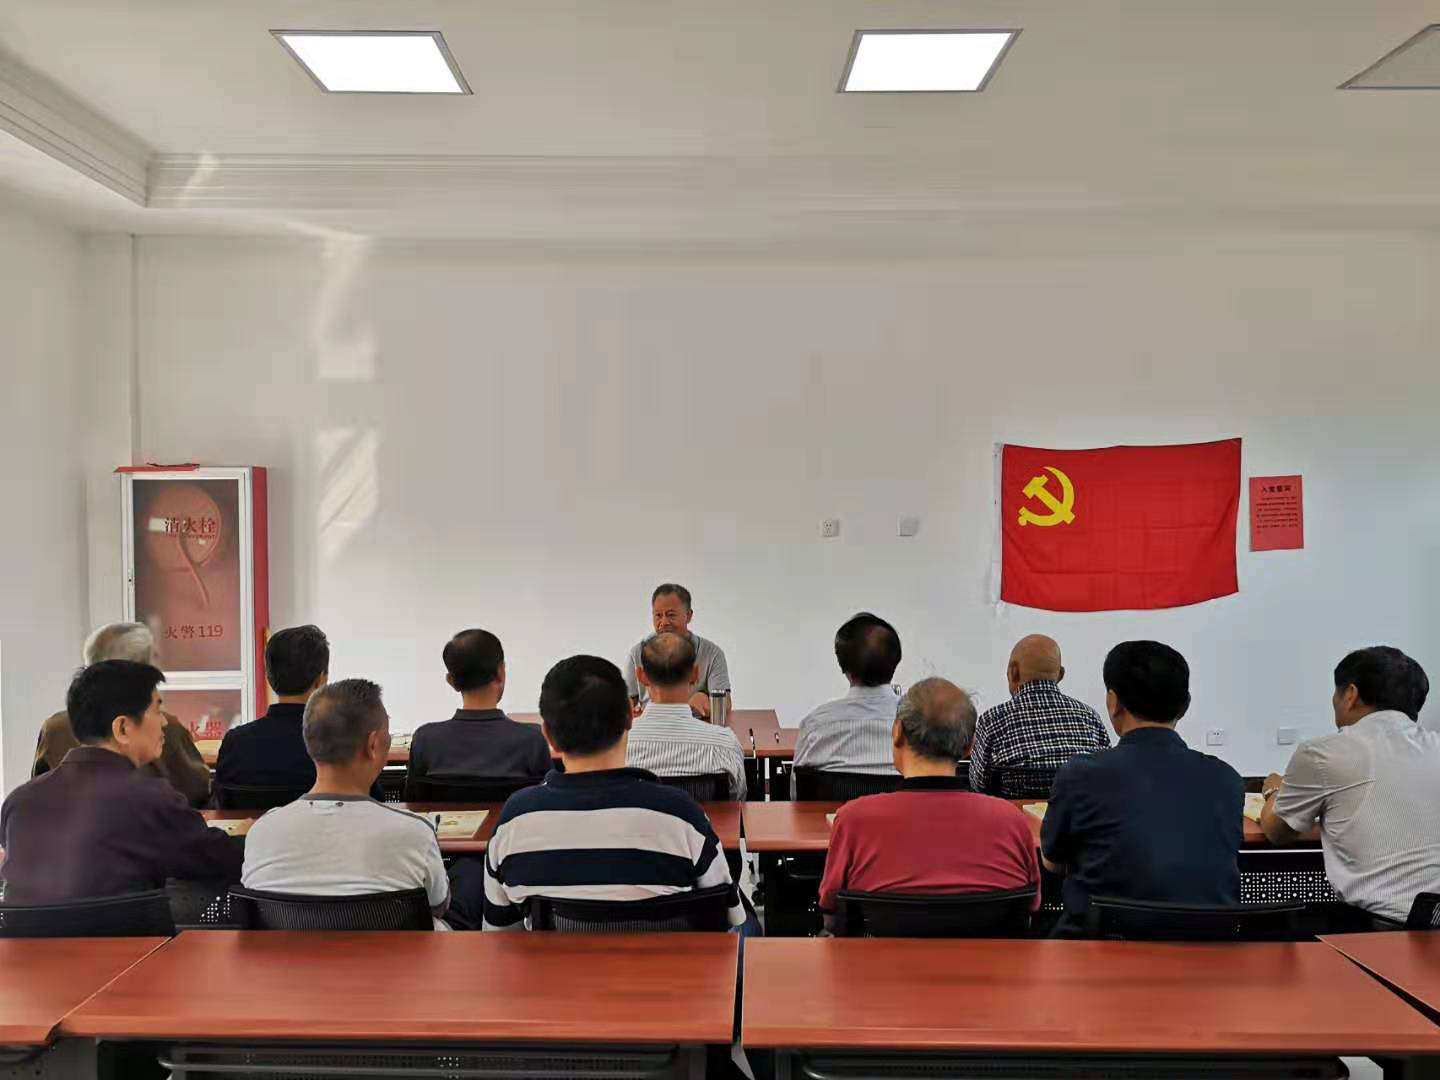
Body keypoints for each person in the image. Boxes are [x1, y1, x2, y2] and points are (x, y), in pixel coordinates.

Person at [478, 655, 744, 931]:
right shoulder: (682, 815)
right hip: (665, 961)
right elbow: (725, 918)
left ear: (547, 735)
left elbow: (498, 932)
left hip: (556, 961)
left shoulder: (515, 821)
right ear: (630, 715)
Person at [1040, 641, 1243, 937]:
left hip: (1098, 950)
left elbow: (1053, 863)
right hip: (1208, 951)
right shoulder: (1227, 780)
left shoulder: (1080, 775)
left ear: (1113, 702)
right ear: (1185, 705)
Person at [1, 660, 244, 904]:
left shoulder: (18, 801)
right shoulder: (148, 798)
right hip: (125, 930)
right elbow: (221, 860)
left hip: (27, 932)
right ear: (123, 728)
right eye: (157, 710)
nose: (164, 722)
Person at [819, 678, 1040, 929]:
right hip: (992, 954)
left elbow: (831, 914)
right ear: (970, 745)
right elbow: (1031, 908)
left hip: (882, 954)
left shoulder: (853, 820)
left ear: (897, 732)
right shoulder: (1011, 821)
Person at [241, 679, 451, 928]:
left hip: (291, 954)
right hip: (389, 954)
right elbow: (439, 904)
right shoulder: (415, 832)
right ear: (373, 745)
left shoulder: (262, 831)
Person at [1260, 646, 1438, 925]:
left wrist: (1274, 790)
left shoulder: (1322, 754)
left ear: (1351, 694)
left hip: (1381, 931)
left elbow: (1277, 832)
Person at [33, 621, 210, 807]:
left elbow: (40, 791)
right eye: (154, 660)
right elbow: (197, 791)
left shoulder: (54, 728)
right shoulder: (163, 726)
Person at [215, 625, 382, 800]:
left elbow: (220, 803)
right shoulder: (348, 744)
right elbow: (375, 804)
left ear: (270, 677)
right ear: (321, 679)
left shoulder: (235, 743)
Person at [968, 635, 1110, 795]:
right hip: (1083, 810)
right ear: (1060, 675)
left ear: (1013, 672)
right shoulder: (1090, 717)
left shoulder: (992, 720)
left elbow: (978, 785)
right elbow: (1108, 775)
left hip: (1015, 811)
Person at [406, 629, 551, 784]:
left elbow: (413, 796)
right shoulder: (532, 741)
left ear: (451, 681)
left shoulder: (424, 740)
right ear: (501, 672)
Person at [626, 632, 747, 799]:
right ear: (695, 674)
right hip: (705, 817)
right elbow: (737, 800)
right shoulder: (725, 745)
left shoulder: (617, 745)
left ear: (641, 676)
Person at [793, 613, 903, 776]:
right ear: (897, 659)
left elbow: (798, 788)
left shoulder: (816, 727)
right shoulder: (923, 725)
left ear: (842, 664)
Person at [622, 584, 731, 717]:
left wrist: (705, 700)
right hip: (652, 722)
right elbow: (627, 701)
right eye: (658, 615)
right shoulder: (637, 652)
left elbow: (725, 703)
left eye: (671, 615)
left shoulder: (713, 653)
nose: (664, 622)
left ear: (688, 616)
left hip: (697, 724)